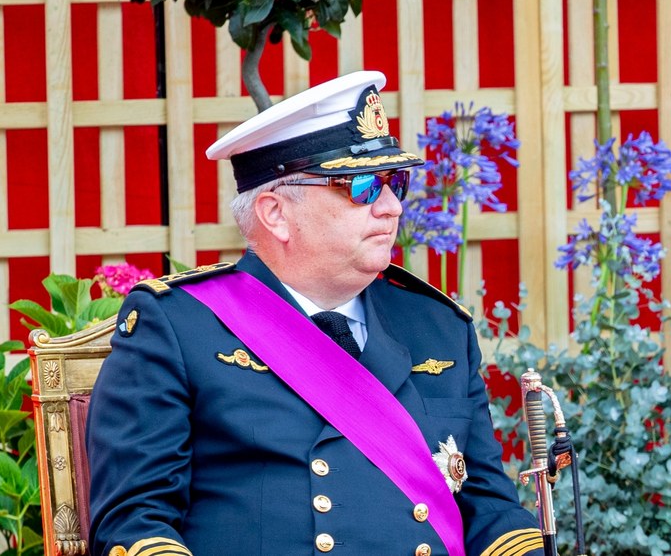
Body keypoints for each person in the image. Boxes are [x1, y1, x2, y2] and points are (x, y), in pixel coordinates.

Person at [86, 71, 543, 556]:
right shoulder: (178, 327)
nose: (390, 207)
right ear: (276, 213)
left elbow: (489, 508)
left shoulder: (439, 327)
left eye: (395, 182)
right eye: (363, 186)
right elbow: (136, 525)